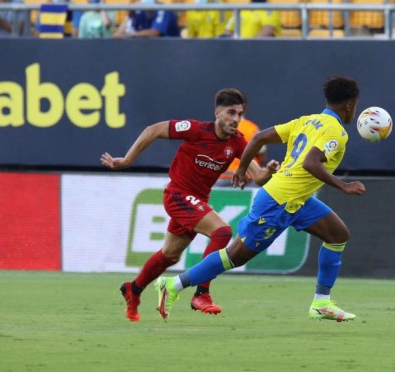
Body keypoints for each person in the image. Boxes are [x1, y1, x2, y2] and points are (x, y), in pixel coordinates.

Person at [156, 76, 365, 323]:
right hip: (278, 202)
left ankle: (321, 302)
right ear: (350, 105)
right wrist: (344, 186)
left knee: (338, 235)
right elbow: (311, 162)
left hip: (297, 199)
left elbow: (259, 138)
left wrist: (243, 168)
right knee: (234, 256)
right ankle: (173, 284)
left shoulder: (307, 121)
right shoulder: (337, 132)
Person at [100, 88, 279, 322]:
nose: (236, 119)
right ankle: (201, 293)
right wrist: (127, 160)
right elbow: (153, 130)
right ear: (217, 112)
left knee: (170, 256)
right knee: (222, 232)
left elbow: (258, 177)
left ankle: (133, 289)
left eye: (240, 114)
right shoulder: (196, 129)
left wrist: (269, 172)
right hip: (177, 195)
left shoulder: (237, 143)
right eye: (231, 112)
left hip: (196, 202)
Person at [113, 0, 180, 38]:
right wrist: (129, 15)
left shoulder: (164, 10)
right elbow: (117, 35)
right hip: (146, 51)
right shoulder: (138, 11)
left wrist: (132, 34)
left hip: (169, 49)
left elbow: (154, 33)